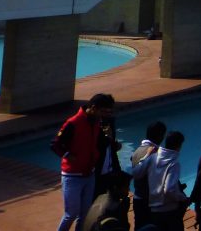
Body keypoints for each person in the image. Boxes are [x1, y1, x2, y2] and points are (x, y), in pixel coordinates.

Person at [51, 93, 115, 231]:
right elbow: (55, 144)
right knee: (71, 214)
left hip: (89, 174)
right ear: (93, 108)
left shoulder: (97, 123)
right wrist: (68, 155)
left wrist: (108, 138)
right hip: (72, 176)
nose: (103, 115)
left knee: (85, 214)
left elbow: (98, 144)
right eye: (102, 111)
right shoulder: (73, 123)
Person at [131, 131, 189, 231]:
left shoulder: (152, 157)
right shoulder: (173, 163)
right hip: (171, 210)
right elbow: (169, 189)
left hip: (154, 210)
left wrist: (146, 157)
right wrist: (182, 198)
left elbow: (136, 173)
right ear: (179, 145)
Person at [129, 121, 166, 230]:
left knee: (140, 226)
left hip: (138, 197)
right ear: (160, 135)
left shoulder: (137, 151)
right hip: (151, 201)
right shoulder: (156, 153)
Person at [95, 108, 124, 198]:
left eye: (110, 111)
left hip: (111, 168)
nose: (109, 114)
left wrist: (114, 144)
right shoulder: (96, 126)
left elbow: (110, 146)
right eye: (106, 111)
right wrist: (108, 139)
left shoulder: (110, 122)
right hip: (100, 172)